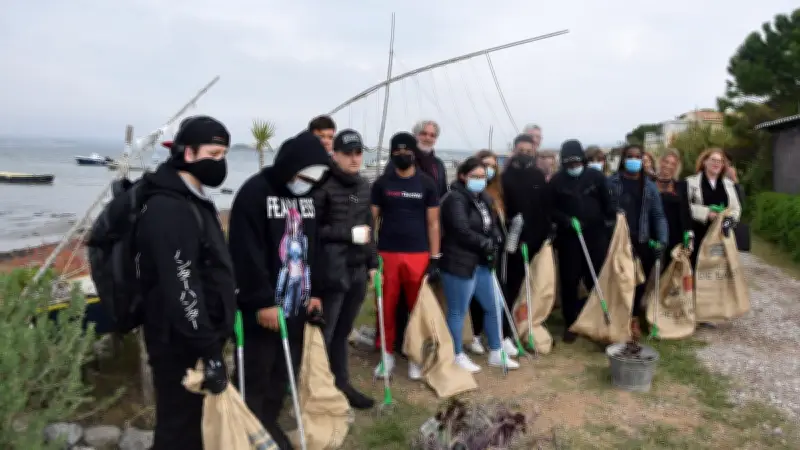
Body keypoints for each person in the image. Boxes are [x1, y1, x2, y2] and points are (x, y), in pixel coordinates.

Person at [137, 116, 236, 450]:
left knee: (192, 424)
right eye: (213, 153)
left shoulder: (192, 197)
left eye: (224, 154)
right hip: (178, 340)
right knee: (177, 427)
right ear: (187, 153)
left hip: (196, 334)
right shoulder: (169, 206)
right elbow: (182, 286)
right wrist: (208, 350)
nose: (219, 162)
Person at [227, 131, 331, 449]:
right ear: (289, 166)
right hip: (263, 306)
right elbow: (245, 251)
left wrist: (315, 292)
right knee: (256, 370)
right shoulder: (254, 193)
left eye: (312, 179)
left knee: (284, 370)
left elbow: (315, 246)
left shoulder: (309, 196)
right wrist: (261, 300)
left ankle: (268, 421)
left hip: (297, 300)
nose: (306, 183)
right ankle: (244, 426)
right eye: (302, 177)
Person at [313, 129, 377, 409]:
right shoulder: (322, 186)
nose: (354, 159)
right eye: (347, 153)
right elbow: (313, 231)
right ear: (335, 154)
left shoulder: (364, 185)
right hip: (331, 271)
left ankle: (341, 383)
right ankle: (314, 388)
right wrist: (348, 234)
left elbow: (369, 227)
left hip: (358, 269)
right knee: (323, 335)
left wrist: (373, 262)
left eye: (358, 153)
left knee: (342, 332)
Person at [371, 131, 441, 380]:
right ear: (391, 154)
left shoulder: (426, 184)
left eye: (406, 150)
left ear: (414, 153)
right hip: (387, 253)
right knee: (386, 306)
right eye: (397, 151)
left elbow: (433, 223)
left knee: (416, 308)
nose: (402, 155)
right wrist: (370, 252)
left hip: (418, 254)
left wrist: (434, 258)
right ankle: (386, 355)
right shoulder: (382, 183)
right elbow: (372, 218)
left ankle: (415, 356)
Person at [440, 157, 520, 372]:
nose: (479, 180)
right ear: (463, 176)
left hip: (482, 262)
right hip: (459, 262)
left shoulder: (483, 198)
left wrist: (496, 237)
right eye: (474, 176)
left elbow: (491, 224)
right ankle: (456, 354)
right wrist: (486, 242)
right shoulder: (454, 199)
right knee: (458, 310)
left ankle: (496, 350)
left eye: (482, 177)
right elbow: (460, 230)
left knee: (495, 305)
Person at [384, 119, 448, 356]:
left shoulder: (438, 166)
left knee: (418, 297)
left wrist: (436, 249)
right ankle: (395, 342)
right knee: (394, 298)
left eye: (432, 134)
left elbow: (442, 199)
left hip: (423, 238)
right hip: (396, 239)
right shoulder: (395, 165)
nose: (428, 137)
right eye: (424, 133)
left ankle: (417, 344)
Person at [548, 139, 616, 343]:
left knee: (596, 279)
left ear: (583, 161)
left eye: (577, 163)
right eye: (569, 164)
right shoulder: (556, 181)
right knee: (569, 281)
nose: (573, 167)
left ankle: (598, 319)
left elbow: (609, 203)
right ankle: (571, 323)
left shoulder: (596, 177)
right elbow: (550, 209)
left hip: (595, 237)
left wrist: (607, 223)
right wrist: (566, 220)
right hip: (569, 240)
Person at [607, 144, 668, 330]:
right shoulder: (612, 183)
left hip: (643, 240)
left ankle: (633, 317)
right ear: (624, 160)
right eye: (629, 156)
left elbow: (658, 215)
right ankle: (617, 316)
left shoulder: (650, 187)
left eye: (637, 157)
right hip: (619, 241)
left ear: (642, 160)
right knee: (620, 281)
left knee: (638, 282)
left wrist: (662, 240)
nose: (633, 160)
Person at [499, 134, 550, 354]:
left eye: (529, 152)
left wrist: (545, 234)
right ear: (514, 150)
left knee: (533, 285)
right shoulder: (504, 177)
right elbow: (502, 209)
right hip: (512, 242)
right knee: (510, 285)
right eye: (521, 150)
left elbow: (543, 208)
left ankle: (528, 322)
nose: (525, 155)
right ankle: (505, 329)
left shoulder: (539, 176)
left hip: (536, 240)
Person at [465, 150, 505, 355]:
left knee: (492, 300)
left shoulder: (497, 192)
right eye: (485, 165)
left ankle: (495, 341)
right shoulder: (468, 196)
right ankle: (474, 335)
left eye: (493, 166)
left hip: (493, 252)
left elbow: (496, 222)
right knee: (472, 299)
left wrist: (498, 237)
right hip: (472, 254)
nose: (489, 170)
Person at [686, 148, 741, 269]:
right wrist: (706, 213)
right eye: (713, 160)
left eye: (720, 161)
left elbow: (736, 208)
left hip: (721, 235)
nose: (716, 163)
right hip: (699, 233)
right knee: (697, 268)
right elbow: (685, 207)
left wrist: (730, 220)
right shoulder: (691, 182)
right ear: (704, 162)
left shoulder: (728, 184)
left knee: (718, 270)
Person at [655, 149, 694, 267]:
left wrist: (689, 236)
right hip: (653, 233)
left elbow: (686, 212)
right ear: (660, 162)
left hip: (675, 235)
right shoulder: (649, 183)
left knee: (670, 271)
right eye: (666, 161)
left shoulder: (681, 185)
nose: (668, 166)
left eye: (673, 164)